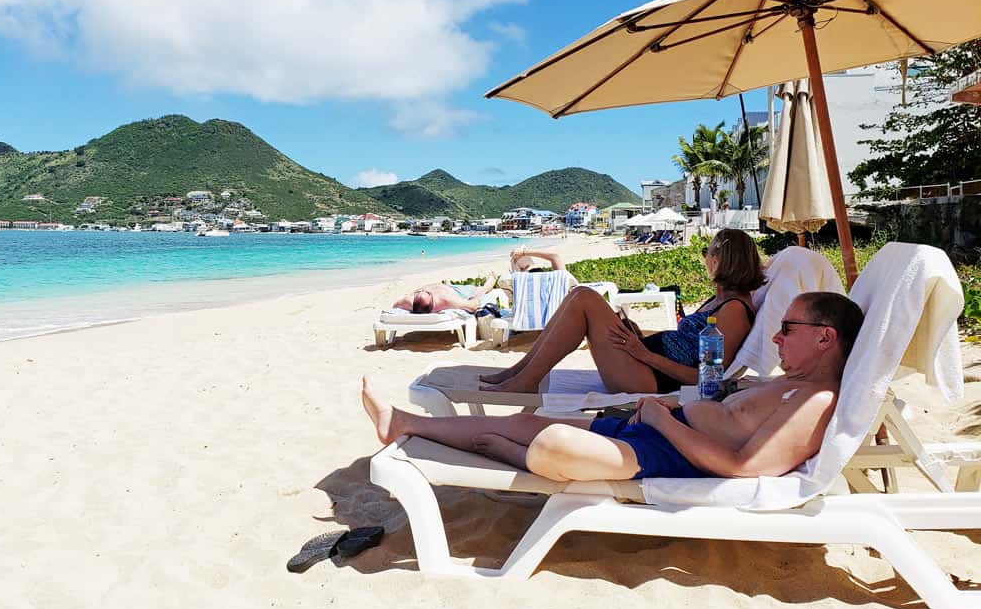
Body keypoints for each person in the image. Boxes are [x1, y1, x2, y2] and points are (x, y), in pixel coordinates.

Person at [363, 291, 863, 482]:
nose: (775, 336)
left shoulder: (817, 400)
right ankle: (405, 423)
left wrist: (664, 416)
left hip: (664, 456)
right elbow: (721, 405)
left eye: (788, 329)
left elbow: (745, 466)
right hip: (650, 423)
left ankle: (514, 451)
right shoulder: (783, 385)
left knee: (552, 442)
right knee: (523, 421)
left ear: (825, 337)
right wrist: (661, 405)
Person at [480, 228, 765, 395]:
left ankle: (526, 380)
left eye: (708, 252)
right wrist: (640, 338)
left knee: (584, 298)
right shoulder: (719, 302)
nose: (706, 258)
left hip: (650, 380)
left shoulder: (734, 312)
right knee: (580, 294)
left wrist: (644, 354)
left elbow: (707, 378)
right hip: (642, 364)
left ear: (720, 260)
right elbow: (686, 346)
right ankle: (520, 372)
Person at [393, 272, 499, 314]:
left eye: (421, 292)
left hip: (446, 289)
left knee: (447, 286)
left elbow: (394, 307)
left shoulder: (408, 301)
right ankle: (491, 279)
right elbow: (473, 306)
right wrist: (476, 296)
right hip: (457, 292)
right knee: (481, 290)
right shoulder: (446, 300)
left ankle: (448, 284)